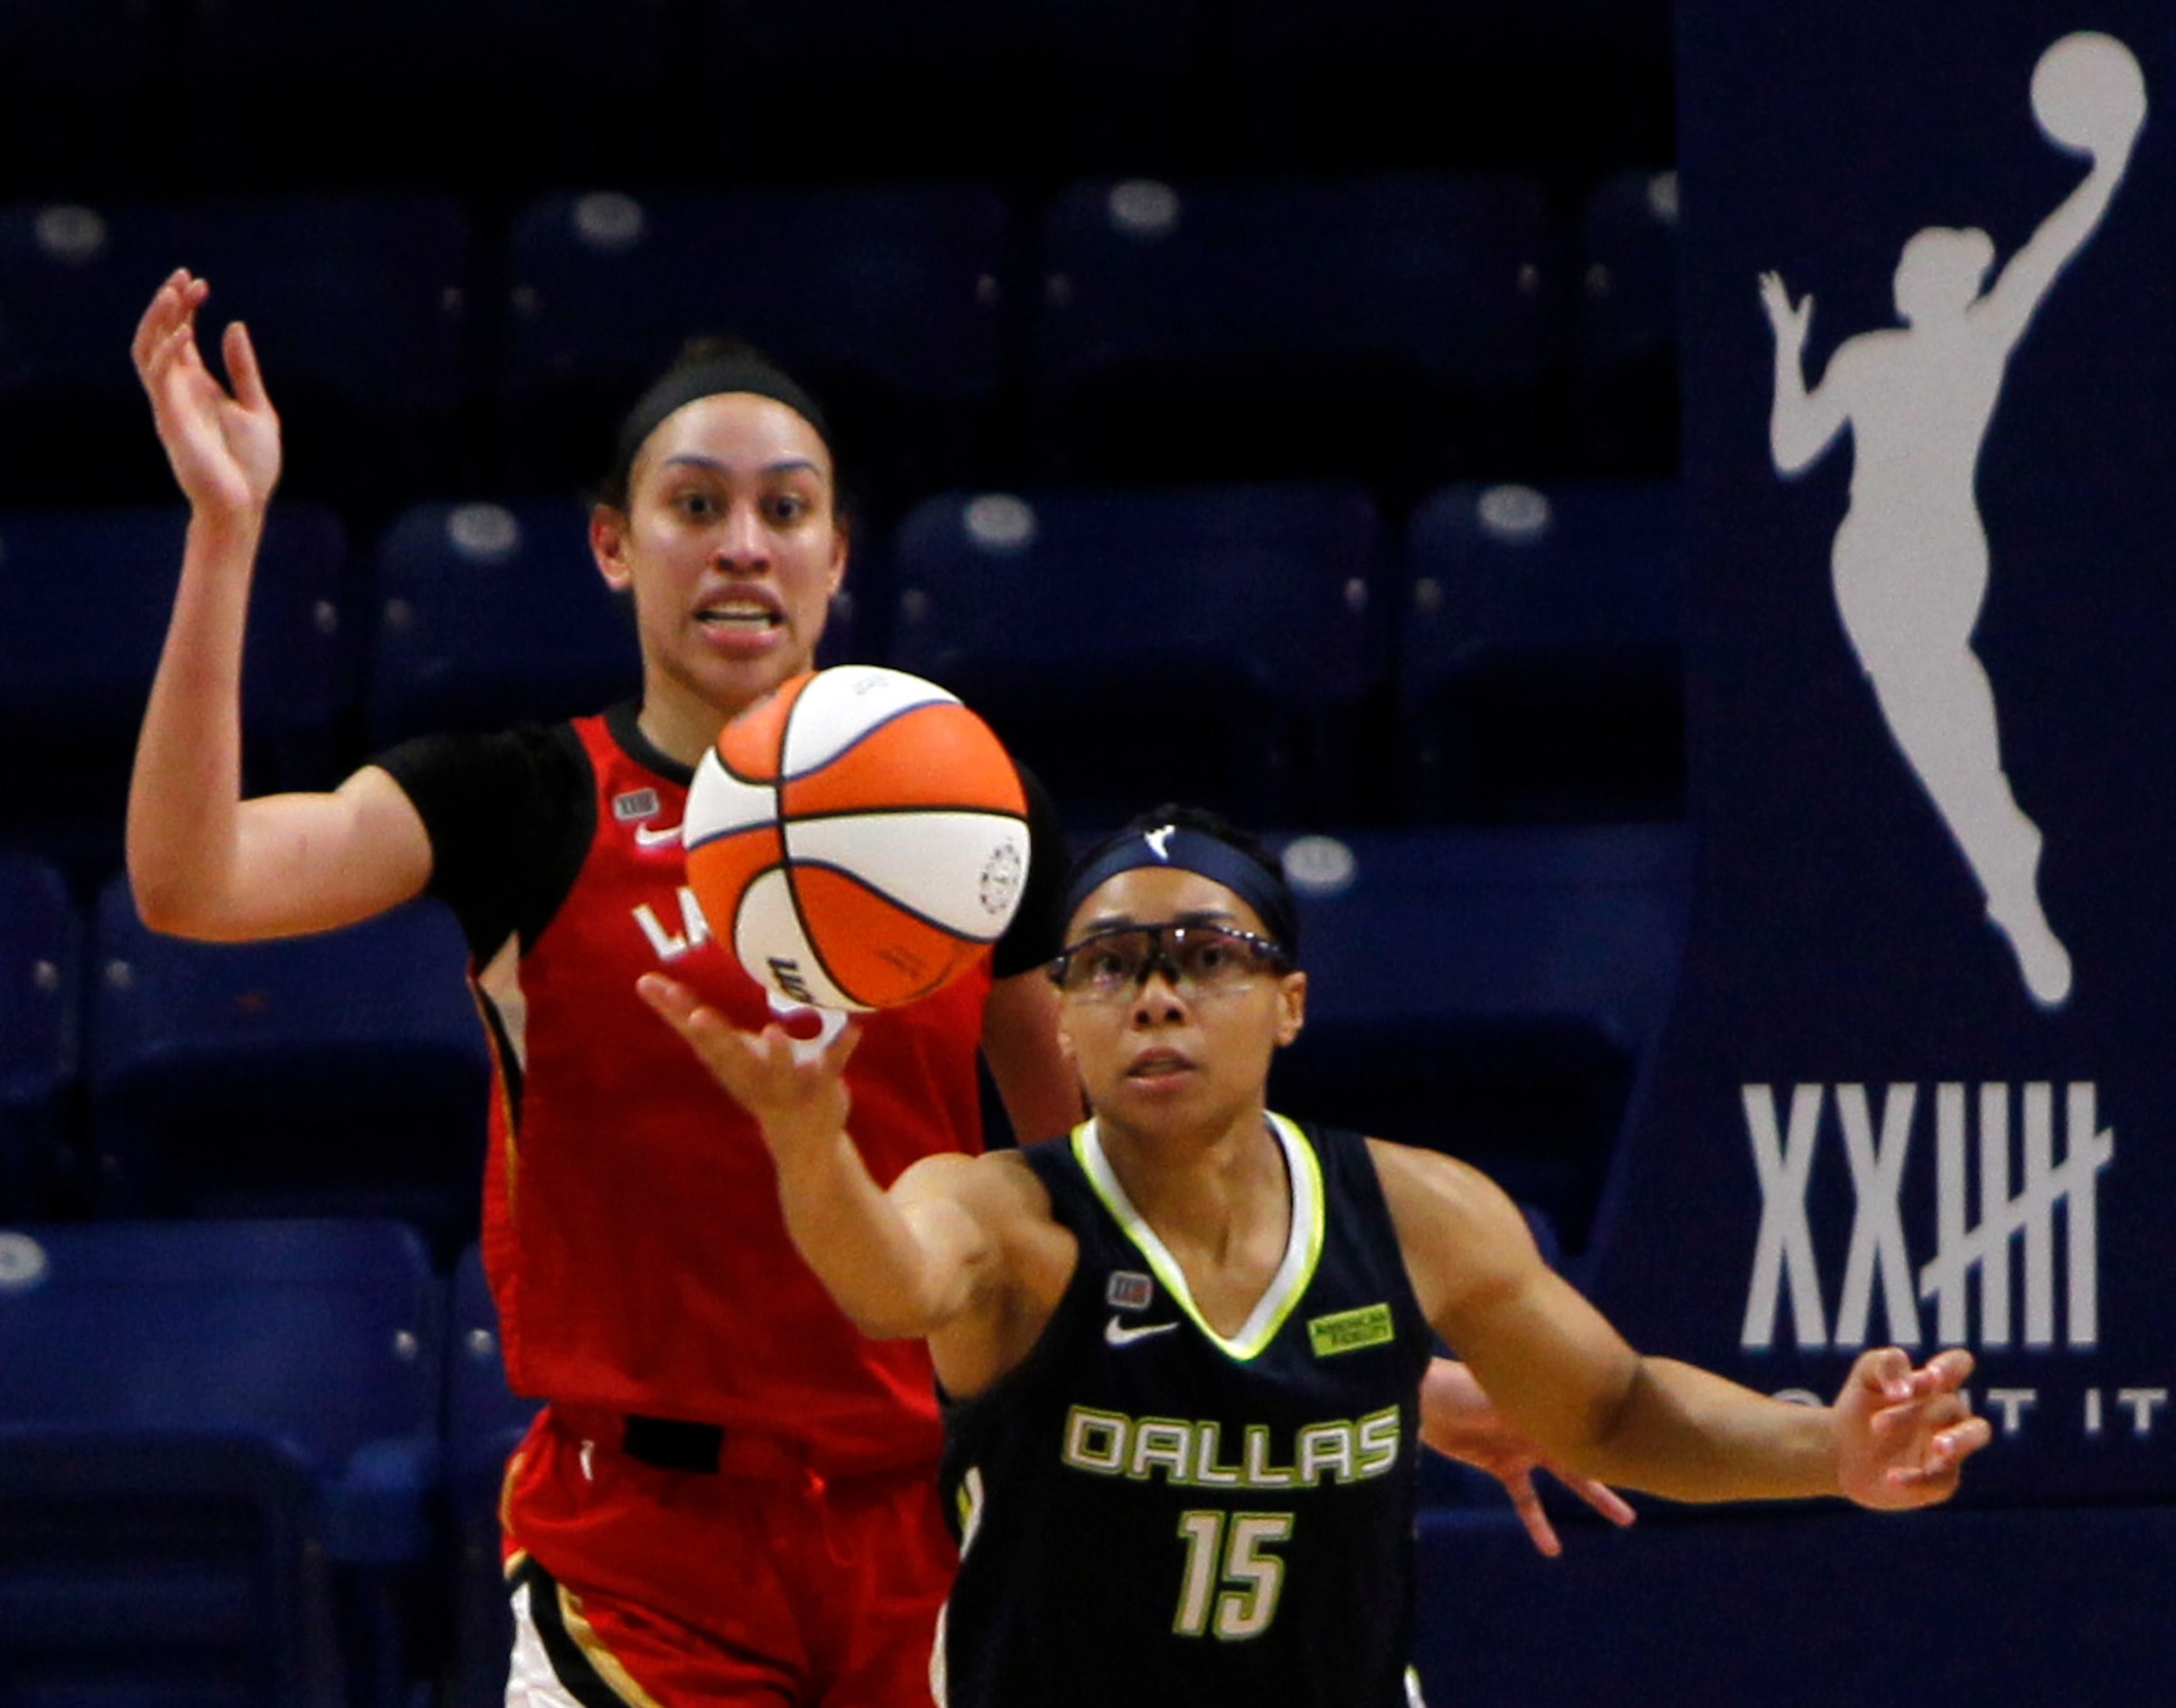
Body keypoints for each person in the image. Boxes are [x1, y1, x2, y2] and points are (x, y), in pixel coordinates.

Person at [125, 272, 1614, 1706]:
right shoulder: (520, 796)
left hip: (941, 1519)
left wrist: (1383, 1385)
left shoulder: (966, 810)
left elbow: (1114, 1186)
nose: (740, 544)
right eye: (692, 503)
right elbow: (193, 882)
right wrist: (224, 529)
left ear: (840, 555)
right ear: (611, 544)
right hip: (639, 1540)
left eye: (785, 509)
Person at [641, 804, 1991, 1707]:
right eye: (1109, 963)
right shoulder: (1010, 1217)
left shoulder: (1419, 1213)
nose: (1157, 991)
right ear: (1058, 1020)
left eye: (1205, 955)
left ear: (1289, 1003)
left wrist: (1830, 1452)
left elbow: (1616, 1408)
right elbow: (884, 1277)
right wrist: (810, 1150)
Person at [1757, 46, 2141, 1010]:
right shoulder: (1861, 354)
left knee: (1939, 702)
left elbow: (2047, 253)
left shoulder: (1978, 342)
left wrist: (2108, 169)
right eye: (1899, 264)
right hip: (1866, 556)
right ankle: (2006, 854)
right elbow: (1795, 446)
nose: (1900, 275)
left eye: (1918, 266)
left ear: (1950, 285)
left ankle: (2008, 863)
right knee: (1926, 712)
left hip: (1940, 550)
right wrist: (1783, 351)